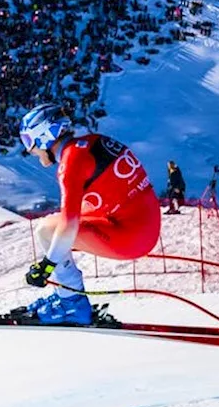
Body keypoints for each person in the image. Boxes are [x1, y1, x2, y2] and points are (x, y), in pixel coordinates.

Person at [16, 103, 161, 325]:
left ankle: (72, 305)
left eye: (28, 140)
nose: (29, 149)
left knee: (47, 231)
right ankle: (67, 294)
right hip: (143, 225)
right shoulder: (91, 142)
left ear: (44, 136)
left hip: (132, 236)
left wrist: (46, 266)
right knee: (57, 228)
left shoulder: (70, 164)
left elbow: (69, 225)